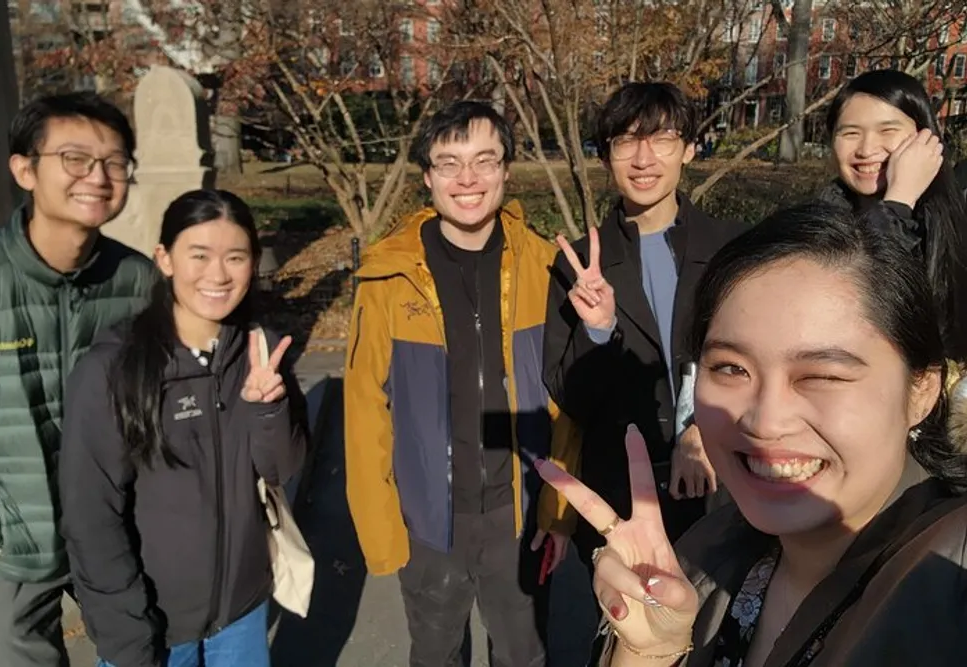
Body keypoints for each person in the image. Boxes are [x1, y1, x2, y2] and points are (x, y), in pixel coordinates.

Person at [539, 203, 967, 666]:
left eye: (821, 376)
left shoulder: (951, 578)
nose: (765, 421)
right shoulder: (706, 556)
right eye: (730, 368)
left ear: (921, 390)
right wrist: (648, 651)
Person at [344, 101, 580, 667]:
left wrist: (559, 512)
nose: (467, 179)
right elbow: (364, 405)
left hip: (517, 516)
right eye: (449, 163)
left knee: (524, 656)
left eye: (484, 160)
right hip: (426, 521)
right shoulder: (386, 276)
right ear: (427, 176)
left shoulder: (544, 265)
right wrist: (382, 530)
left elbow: (565, 404)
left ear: (506, 170)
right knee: (435, 654)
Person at [58, 190, 307, 667]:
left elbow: (282, 468)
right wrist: (125, 635)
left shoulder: (259, 353)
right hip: (151, 626)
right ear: (164, 259)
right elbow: (91, 516)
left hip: (241, 615)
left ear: (253, 263)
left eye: (235, 257)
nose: (217, 275)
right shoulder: (114, 368)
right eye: (199, 255)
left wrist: (267, 408)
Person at [0, 92, 156, 666]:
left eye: (114, 162)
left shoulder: (138, 280)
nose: (97, 178)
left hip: (116, 533)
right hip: (8, 548)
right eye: (75, 159)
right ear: (25, 169)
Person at [542, 82, 747, 571]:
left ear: (690, 150)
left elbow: (756, 361)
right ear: (606, 154)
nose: (643, 158)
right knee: (630, 634)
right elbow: (568, 396)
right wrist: (599, 329)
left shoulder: (732, 249)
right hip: (621, 492)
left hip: (724, 482)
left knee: (719, 626)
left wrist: (699, 431)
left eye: (662, 139)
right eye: (625, 141)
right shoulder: (579, 265)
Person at [820, 69, 967, 364]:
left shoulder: (957, 227)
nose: (866, 149)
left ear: (926, 138)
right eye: (850, 133)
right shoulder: (814, 229)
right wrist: (899, 201)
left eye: (887, 131)